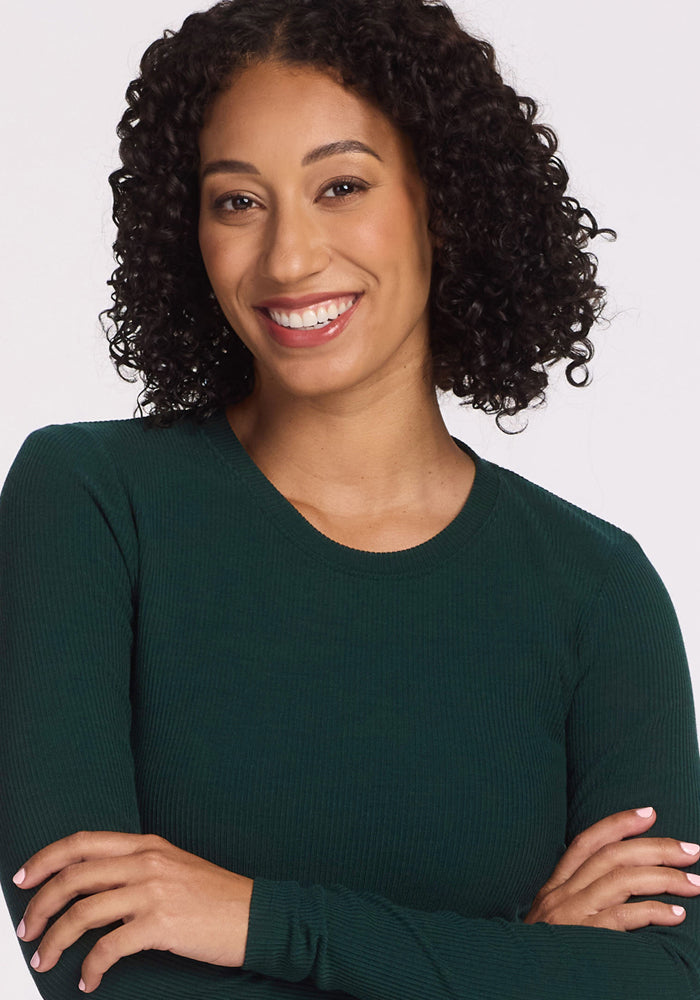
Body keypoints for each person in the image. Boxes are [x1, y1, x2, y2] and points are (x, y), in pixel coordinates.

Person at [1, 0, 699, 997]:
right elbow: (98, 966)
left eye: (341, 186)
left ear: (442, 200)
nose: (288, 257)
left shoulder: (596, 586)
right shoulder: (90, 504)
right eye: (237, 201)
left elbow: (664, 978)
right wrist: (518, 956)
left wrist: (256, 920)